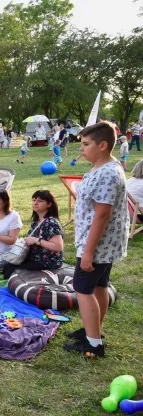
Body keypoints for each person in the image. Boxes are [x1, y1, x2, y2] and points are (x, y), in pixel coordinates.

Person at [64, 121, 128, 358]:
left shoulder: (107, 173)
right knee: (99, 285)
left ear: (103, 145)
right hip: (101, 243)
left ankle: (93, 344)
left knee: (82, 288)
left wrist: (88, 252)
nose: (82, 149)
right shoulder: (103, 167)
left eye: (86, 144)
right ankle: (94, 331)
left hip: (98, 244)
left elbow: (102, 214)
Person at [2, 190, 64, 279]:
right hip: (35, 257)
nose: (35, 203)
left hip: (47, 261)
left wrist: (37, 240)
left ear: (49, 204)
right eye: (34, 200)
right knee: (7, 267)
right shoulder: (36, 221)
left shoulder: (51, 222)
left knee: (12, 272)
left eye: (40, 201)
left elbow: (58, 247)